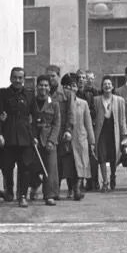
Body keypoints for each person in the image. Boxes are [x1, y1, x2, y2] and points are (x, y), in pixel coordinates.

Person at [0, 67, 34, 208]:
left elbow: (35, 116)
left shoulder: (30, 95)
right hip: (8, 136)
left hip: (25, 138)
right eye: (15, 77)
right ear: (10, 78)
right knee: (6, 166)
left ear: (24, 79)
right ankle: (9, 192)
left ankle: (22, 196)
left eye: (20, 78)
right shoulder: (3, 94)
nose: (17, 80)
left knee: (25, 168)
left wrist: (34, 136)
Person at [59, 73, 95, 200]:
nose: (71, 89)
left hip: (80, 138)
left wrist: (92, 142)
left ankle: (77, 189)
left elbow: (88, 124)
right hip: (66, 139)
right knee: (69, 166)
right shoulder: (60, 103)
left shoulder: (83, 103)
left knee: (81, 164)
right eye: (67, 86)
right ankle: (71, 188)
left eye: (73, 86)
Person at [93, 77, 127, 192]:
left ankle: (113, 175)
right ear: (102, 87)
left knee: (114, 156)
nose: (107, 86)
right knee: (102, 156)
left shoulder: (119, 100)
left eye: (109, 84)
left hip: (114, 132)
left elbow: (122, 119)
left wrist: (124, 136)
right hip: (101, 133)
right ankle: (105, 182)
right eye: (105, 84)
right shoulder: (96, 100)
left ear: (112, 87)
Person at [30, 74, 61, 206]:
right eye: (41, 85)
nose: (43, 88)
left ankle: (49, 195)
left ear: (49, 87)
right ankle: (34, 185)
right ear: (37, 86)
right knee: (31, 167)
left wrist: (51, 140)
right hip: (34, 140)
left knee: (50, 168)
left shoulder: (54, 104)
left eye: (46, 85)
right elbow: (28, 121)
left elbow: (57, 124)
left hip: (49, 140)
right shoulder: (31, 102)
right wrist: (32, 137)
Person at [46, 64, 68, 200]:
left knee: (60, 163)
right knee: (50, 164)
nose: (50, 78)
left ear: (59, 76)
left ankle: (57, 190)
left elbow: (70, 114)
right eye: (48, 76)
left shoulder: (65, 94)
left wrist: (68, 130)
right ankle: (50, 190)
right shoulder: (43, 92)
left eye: (53, 76)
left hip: (62, 133)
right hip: (47, 133)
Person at [76, 70, 99, 191]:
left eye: (83, 78)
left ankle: (92, 181)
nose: (81, 79)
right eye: (79, 77)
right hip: (77, 128)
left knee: (91, 155)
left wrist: (87, 112)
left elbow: (94, 111)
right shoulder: (73, 94)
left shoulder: (90, 94)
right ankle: (78, 182)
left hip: (88, 126)